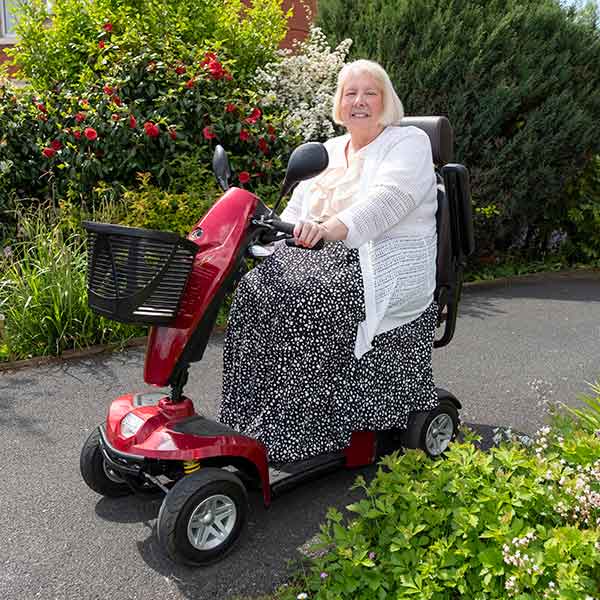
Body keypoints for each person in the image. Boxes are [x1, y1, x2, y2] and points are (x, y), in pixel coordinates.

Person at [218, 59, 439, 464]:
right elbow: (300, 206)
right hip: (320, 255)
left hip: (379, 261)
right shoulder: (329, 150)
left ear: (386, 101)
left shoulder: (409, 143)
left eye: (370, 92)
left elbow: (389, 200)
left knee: (310, 301)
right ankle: (247, 420)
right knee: (254, 290)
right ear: (339, 103)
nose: (359, 101)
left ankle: (300, 433)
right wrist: (277, 231)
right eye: (350, 93)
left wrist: (332, 227)